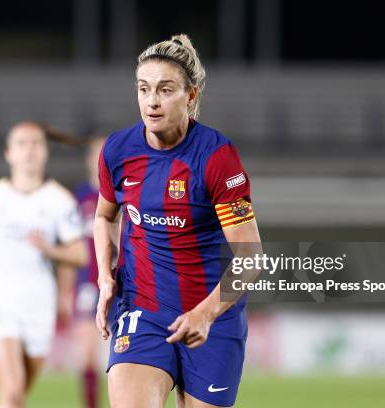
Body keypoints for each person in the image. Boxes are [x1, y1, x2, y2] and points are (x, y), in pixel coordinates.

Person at [94, 34, 262, 408]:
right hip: (142, 309)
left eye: (165, 90)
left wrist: (204, 314)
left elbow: (250, 256)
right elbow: (104, 217)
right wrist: (106, 278)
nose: (152, 101)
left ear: (191, 95)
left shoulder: (217, 157)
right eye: (143, 89)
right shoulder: (118, 151)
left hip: (211, 318)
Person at [0, 121, 88, 408]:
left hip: (38, 302)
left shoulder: (59, 200)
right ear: (9, 154)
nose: (29, 150)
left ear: (45, 152)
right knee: (13, 389)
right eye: (22, 143)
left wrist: (49, 249)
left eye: (36, 143)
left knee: (15, 397)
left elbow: (80, 255)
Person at [59, 135, 115, 408]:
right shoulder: (78, 198)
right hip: (85, 284)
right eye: (96, 153)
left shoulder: (127, 195)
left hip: (121, 284)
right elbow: (70, 250)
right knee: (88, 354)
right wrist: (64, 290)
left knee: (121, 356)